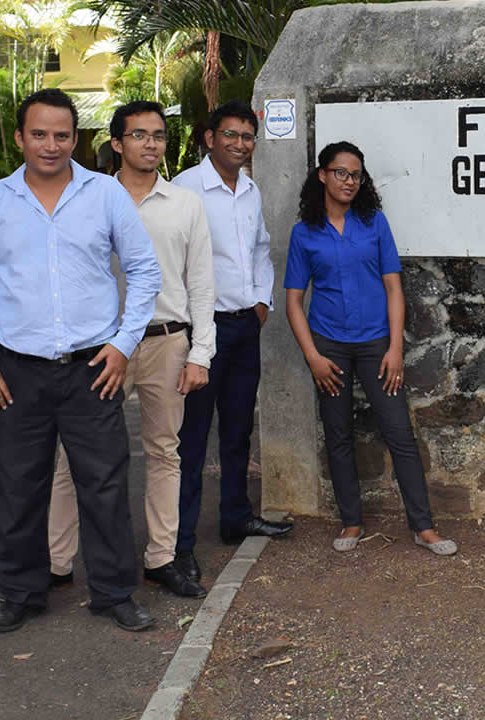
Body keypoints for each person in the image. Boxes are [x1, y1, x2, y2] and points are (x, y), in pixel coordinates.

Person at [0, 89, 163, 632]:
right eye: (39, 134)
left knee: (105, 485)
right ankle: (19, 594)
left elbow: (144, 271)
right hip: (17, 373)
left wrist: (123, 344)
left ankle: (114, 594)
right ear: (21, 137)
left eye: (62, 135)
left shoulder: (105, 195)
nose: (50, 145)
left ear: (75, 138)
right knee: (19, 488)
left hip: (94, 369)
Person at [46, 101, 216, 599]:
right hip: (100, 347)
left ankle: (161, 558)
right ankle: (56, 562)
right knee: (73, 455)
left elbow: (202, 283)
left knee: (165, 451)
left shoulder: (185, 203)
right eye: (139, 135)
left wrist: (200, 353)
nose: (151, 143)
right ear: (117, 143)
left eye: (158, 135)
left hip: (167, 341)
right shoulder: (87, 200)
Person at [283, 142, 457, 556]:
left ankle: (423, 527)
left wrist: (395, 348)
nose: (349, 181)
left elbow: (394, 288)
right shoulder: (304, 233)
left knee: (399, 433)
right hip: (329, 347)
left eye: (356, 175)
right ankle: (351, 521)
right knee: (338, 434)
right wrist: (313, 357)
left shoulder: (374, 223)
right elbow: (293, 301)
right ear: (323, 175)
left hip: (377, 344)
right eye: (341, 173)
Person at [172, 99, 292, 584]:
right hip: (202, 330)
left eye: (247, 137)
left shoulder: (250, 190)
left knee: (239, 429)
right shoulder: (184, 190)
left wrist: (262, 301)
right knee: (191, 439)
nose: (240, 144)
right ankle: (178, 543)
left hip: (245, 328)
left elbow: (261, 250)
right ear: (209, 138)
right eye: (231, 135)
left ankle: (235, 517)